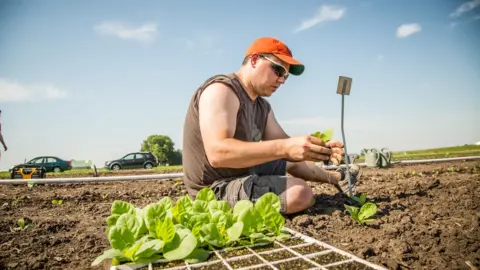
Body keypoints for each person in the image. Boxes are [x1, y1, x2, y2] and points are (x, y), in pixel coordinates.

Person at [182, 37, 361, 215]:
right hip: (212, 191)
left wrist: (318, 149)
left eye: (286, 76)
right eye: (278, 70)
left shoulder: (262, 107)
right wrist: (285, 148)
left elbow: (289, 152)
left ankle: (340, 178)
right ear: (254, 60)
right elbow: (218, 153)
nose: (281, 80)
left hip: (243, 174)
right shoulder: (221, 90)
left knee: (287, 160)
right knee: (300, 193)